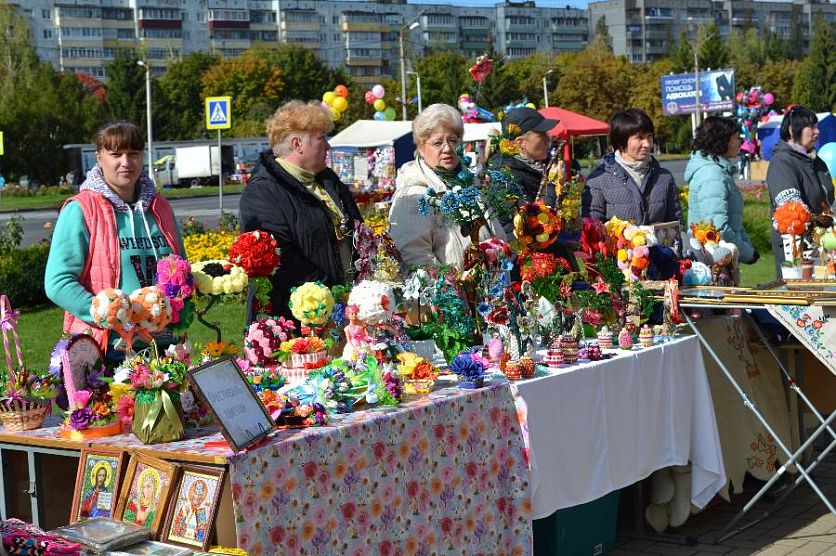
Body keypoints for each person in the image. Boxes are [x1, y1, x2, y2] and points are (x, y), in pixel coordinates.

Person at [44, 121, 185, 353]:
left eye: (134, 154)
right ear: (99, 158)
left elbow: (181, 269)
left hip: (164, 345)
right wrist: (108, 313)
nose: (126, 162)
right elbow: (58, 283)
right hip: (108, 348)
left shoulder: (159, 208)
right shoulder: (81, 210)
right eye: (116, 154)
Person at [239, 100, 362, 323]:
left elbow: (358, 231)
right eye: (322, 138)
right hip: (297, 318)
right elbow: (282, 260)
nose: (328, 146)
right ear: (297, 144)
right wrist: (329, 293)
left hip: (346, 309)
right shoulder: (263, 192)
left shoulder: (328, 181)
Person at [389, 103, 506, 272]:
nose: (447, 149)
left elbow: (496, 234)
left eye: (453, 140)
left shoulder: (469, 185)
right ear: (421, 148)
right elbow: (415, 259)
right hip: (451, 288)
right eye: (437, 143)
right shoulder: (413, 196)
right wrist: (456, 285)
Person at [581, 108, 682, 225]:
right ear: (621, 141)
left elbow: (676, 223)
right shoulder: (598, 180)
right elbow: (591, 226)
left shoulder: (664, 177)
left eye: (649, 136)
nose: (647, 144)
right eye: (640, 138)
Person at [766, 105, 834, 276]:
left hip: (825, 247)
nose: (817, 131)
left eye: (817, 126)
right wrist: (825, 225)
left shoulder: (816, 161)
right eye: (811, 127)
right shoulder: (782, 162)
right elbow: (792, 209)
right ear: (792, 129)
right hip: (798, 251)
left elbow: (829, 200)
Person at [685, 116, 758, 264]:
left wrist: (747, 248)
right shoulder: (712, 174)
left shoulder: (718, 171)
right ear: (722, 141)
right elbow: (718, 228)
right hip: (714, 260)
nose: (740, 142)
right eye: (736, 138)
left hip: (722, 257)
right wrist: (748, 253)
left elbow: (734, 223)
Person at [487, 106, 559, 235]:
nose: (548, 140)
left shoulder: (536, 167)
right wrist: (550, 183)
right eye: (542, 135)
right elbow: (530, 226)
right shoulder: (504, 176)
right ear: (521, 142)